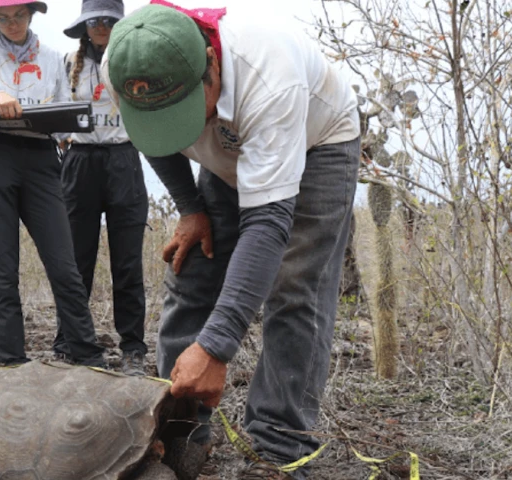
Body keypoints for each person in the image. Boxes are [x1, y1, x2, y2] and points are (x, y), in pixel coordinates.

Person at [102, 2, 361, 478]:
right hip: (228, 150)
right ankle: (176, 433)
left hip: (315, 141)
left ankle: (277, 449)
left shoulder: (270, 75)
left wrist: (218, 347)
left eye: (182, 112)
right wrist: (190, 207)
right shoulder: (123, 63)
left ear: (211, 65)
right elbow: (152, 138)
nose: (179, 128)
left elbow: (268, 225)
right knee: (192, 268)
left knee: (294, 287)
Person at [0, 0, 106, 368]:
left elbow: (69, 116)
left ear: (32, 14)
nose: (13, 23)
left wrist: (53, 120)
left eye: (20, 15)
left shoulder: (53, 57)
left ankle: (87, 356)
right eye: (3, 18)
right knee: (4, 269)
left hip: (41, 159)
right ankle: (11, 361)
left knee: (64, 265)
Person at [54, 0, 149, 376]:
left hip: (124, 159)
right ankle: (70, 343)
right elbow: (55, 109)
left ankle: (133, 349)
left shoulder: (135, 61)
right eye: (94, 20)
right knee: (76, 260)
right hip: (80, 162)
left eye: (109, 20)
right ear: (84, 24)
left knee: (127, 262)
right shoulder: (66, 64)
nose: (101, 26)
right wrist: (62, 139)